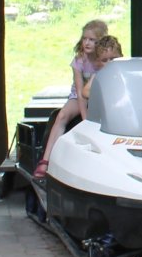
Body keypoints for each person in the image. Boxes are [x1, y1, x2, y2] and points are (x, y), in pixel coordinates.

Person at [34, 19, 107, 180]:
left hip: (100, 96)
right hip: (79, 96)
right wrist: (84, 118)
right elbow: (81, 92)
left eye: (92, 40)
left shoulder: (104, 59)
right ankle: (46, 159)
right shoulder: (79, 61)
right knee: (61, 116)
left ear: (100, 42)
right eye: (84, 38)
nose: (86, 43)